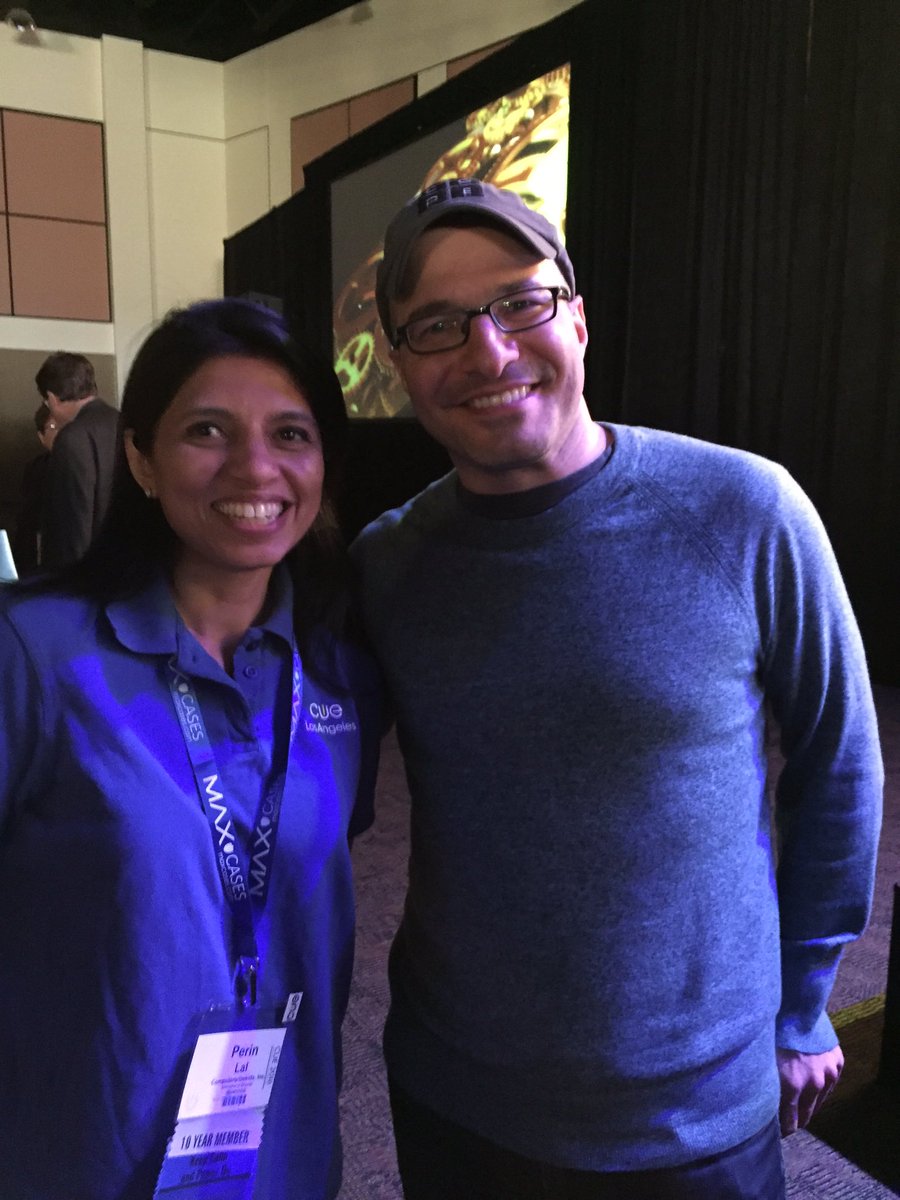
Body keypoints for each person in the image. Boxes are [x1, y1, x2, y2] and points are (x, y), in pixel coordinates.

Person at [350, 178, 884, 1199]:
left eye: (521, 302)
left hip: (695, 1115)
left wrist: (805, 997)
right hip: (457, 1100)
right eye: (439, 324)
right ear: (400, 364)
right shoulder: (387, 565)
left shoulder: (745, 511)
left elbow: (841, 764)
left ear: (579, 321)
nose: (489, 351)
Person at [0, 299, 381, 1200]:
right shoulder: (34, 653)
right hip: (84, 1155)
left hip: (283, 1152)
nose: (255, 466)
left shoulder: (341, 675)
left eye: (291, 433)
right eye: (207, 430)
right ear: (141, 457)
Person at [35, 349, 118, 567]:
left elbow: (74, 524)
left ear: (52, 398)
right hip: (128, 566)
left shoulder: (72, 438)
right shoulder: (123, 423)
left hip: (89, 572)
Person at [11, 402, 59, 574]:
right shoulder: (35, 468)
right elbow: (27, 520)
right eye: (53, 427)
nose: (62, 432)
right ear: (41, 436)